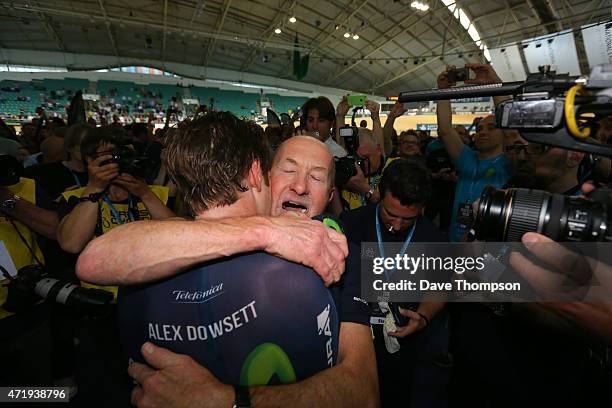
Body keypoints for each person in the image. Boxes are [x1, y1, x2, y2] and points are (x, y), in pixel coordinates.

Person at [77, 126, 378, 407]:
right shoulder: (196, 238)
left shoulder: (342, 254)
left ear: (329, 196)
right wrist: (264, 231)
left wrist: (229, 400)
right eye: (288, 170)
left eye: (316, 177)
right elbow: (95, 259)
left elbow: (363, 393)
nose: (299, 186)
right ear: (263, 177)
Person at [340, 159, 450, 408]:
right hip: (352, 343)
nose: (397, 225)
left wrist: (423, 317)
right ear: (379, 195)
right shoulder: (350, 225)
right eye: (390, 214)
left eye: (408, 219)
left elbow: (440, 287)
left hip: (402, 345)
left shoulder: (433, 239)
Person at [436, 64, 512, 241]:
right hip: (455, 243)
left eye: (491, 128)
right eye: (479, 129)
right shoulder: (467, 158)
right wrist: (443, 92)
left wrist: (495, 84)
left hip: (488, 248)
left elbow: (511, 128)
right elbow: (445, 129)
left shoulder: (509, 162)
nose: (483, 132)